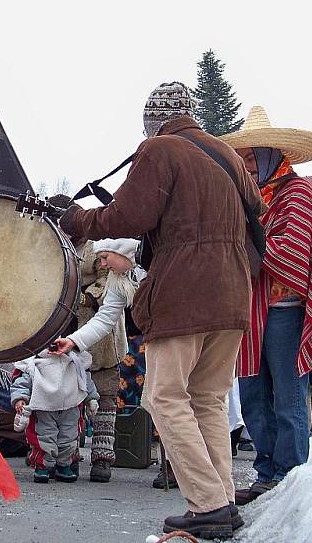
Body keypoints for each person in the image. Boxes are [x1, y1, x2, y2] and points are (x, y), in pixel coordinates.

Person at [59, 82, 263, 539]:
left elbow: (125, 218)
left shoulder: (160, 149)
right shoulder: (227, 155)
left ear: (153, 120)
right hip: (232, 293)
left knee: (166, 398)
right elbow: (257, 211)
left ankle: (208, 504)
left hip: (184, 293)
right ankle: (223, 500)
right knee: (208, 399)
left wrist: (78, 219)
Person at [220, 106, 312, 505]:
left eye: (251, 158)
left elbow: (293, 258)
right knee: (253, 394)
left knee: (287, 396)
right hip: (251, 312)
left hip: (286, 311)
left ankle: (290, 476)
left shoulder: (298, 193)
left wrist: (248, 241)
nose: (247, 167)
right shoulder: (249, 200)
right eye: (243, 160)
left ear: (271, 154)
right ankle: (266, 472)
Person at [52, 237, 141, 483]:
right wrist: (72, 341)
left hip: (102, 347)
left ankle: (103, 457)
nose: (102, 263)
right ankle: (60, 454)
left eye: (105, 259)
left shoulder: (103, 253)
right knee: (63, 398)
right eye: (100, 260)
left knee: (105, 397)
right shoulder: (58, 245)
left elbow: (106, 308)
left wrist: (87, 297)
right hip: (72, 330)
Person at [10, 349, 99, 483]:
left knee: (69, 439)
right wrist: (20, 399)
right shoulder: (33, 363)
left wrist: (91, 399)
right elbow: (23, 382)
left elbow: (85, 381)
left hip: (70, 407)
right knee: (44, 438)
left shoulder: (75, 361)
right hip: (43, 408)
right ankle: (42, 466)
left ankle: (64, 466)